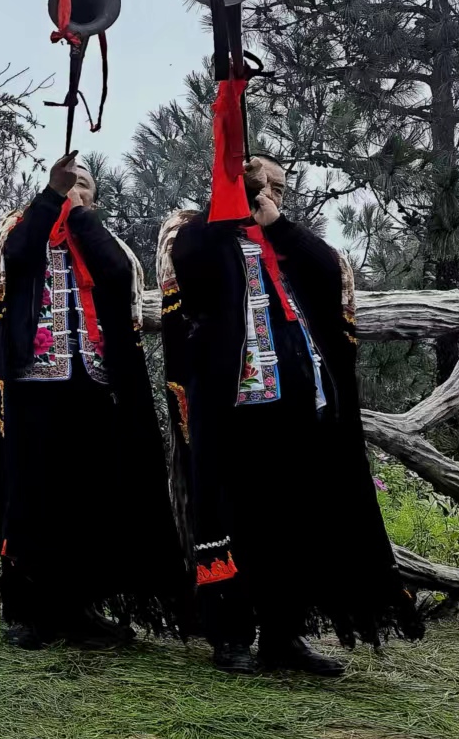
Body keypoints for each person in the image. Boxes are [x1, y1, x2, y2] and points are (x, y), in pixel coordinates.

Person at [165, 156, 422, 676]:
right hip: (233, 407)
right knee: (229, 521)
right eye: (263, 184)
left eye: (281, 188)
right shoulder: (197, 231)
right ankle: (231, 634)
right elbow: (190, 270)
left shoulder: (285, 240)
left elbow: (329, 273)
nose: (274, 193)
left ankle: (285, 636)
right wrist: (229, 204)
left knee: (291, 524)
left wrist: (276, 226)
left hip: (296, 406)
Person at [0, 153, 188, 647]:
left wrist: (78, 214)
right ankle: (32, 612)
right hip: (34, 385)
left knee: (90, 500)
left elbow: (118, 276)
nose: (76, 192)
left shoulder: (103, 239)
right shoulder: (20, 227)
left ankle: (81, 608)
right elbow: (18, 257)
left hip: (95, 384)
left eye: (85, 189)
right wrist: (52, 200)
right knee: (36, 499)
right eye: (68, 186)